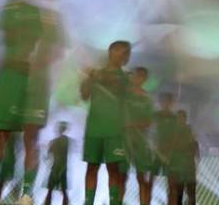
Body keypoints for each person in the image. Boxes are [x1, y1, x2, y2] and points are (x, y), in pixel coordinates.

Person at [0, 0, 66, 205]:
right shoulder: (11, 8)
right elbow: (5, 40)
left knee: (31, 138)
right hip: (11, 79)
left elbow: (58, 51)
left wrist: (39, 63)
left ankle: (27, 195)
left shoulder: (53, 17)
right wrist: (14, 61)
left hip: (37, 84)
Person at [82, 40, 131, 205]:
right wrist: (89, 79)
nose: (125, 56)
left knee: (114, 170)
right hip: (94, 128)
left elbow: (115, 84)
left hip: (115, 130)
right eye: (122, 52)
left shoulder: (125, 77)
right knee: (91, 168)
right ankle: (88, 202)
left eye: (127, 53)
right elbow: (84, 94)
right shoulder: (96, 74)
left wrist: (97, 75)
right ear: (112, 52)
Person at [125, 67, 155, 205]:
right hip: (124, 140)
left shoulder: (147, 98)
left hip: (140, 141)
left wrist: (133, 124)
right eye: (137, 75)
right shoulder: (124, 95)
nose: (138, 78)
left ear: (145, 79)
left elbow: (148, 121)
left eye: (142, 76)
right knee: (121, 175)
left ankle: (144, 202)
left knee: (141, 176)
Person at [164, 110, 198, 205]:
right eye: (178, 118)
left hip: (187, 168)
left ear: (184, 119)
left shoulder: (188, 131)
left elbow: (193, 147)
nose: (179, 120)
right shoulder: (175, 131)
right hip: (179, 168)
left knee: (190, 193)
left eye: (181, 118)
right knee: (179, 194)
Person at [45, 122, 71, 205]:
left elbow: (49, 154)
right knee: (56, 190)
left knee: (52, 190)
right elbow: (49, 154)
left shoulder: (61, 141)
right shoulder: (62, 141)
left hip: (59, 167)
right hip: (58, 167)